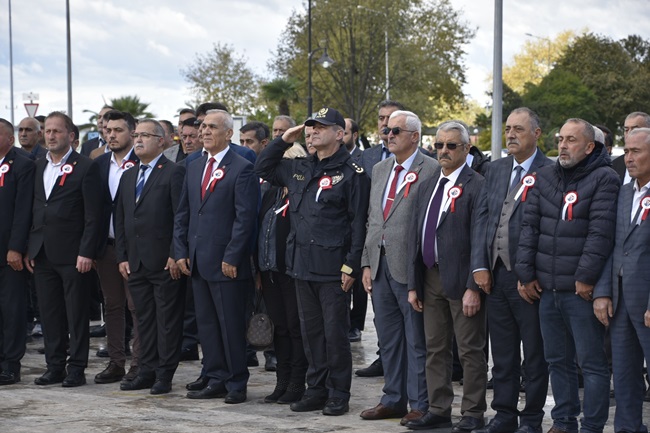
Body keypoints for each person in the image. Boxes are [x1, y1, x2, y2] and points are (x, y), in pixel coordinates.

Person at [256, 107, 370, 416]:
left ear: (339, 134)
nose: (313, 131)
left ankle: (338, 393)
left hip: (333, 268)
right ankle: (316, 389)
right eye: (310, 127)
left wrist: (351, 265)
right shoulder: (300, 166)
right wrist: (284, 138)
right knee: (311, 335)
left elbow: (359, 223)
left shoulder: (352, 173)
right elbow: (262, 167)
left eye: (321, 127)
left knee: (334, 335)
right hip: (301, 265)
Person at [516, 118, 620, 433]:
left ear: (590, 147)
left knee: (591, 364)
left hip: (580, 292)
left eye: (571, 140)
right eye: (561, 139)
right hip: (547, 289)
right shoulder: (544, 176)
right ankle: (563, 422)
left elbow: (600, 233)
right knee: (557, 361)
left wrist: (586, 277)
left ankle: (592, 426)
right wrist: (526, 272)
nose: (563, 145)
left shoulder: (605, 178)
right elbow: (530, 227)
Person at [472, 107, 552, 433]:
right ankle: (504, 415)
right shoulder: (495, 169)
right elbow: (482, 219)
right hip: (496, 276)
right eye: (508, 129)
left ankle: (531, 419)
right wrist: (480, 265)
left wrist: (532, 274)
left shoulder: (550, 171)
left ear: (537, 133)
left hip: (530, 281)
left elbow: (550, 229)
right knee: (502, 354)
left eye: (518, 129)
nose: (511, 135)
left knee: (534, 355)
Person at [405, 121, 486, 432]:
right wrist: (413, 284)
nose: (443, 151)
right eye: (439, 145)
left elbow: (480, 238)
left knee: (469, 350)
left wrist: (473, 286)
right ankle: (439, 409)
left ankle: (473, 412)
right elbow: (416, 237)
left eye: (451, 145)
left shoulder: (477, 184)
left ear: (466, 148)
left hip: (462, 281)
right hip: (429, 277)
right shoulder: (428, 185)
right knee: (435, 348)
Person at [174, 109, 259, 404]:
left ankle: (236, 382)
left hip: (226, 263)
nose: (204, 131)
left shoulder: (242, 167)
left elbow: (245, 218)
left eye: (212, 127)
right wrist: (181, 251)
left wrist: (233, 256)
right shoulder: (194, 165)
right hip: (198, 260)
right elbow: (184, 213)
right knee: (207, 325)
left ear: (228, 133)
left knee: (230, 325)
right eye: (203, 127)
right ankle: (214, 376)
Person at [359, 110, 436, 425]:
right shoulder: (380, 169)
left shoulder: (431, 168)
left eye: (396, 131)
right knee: (388, 338)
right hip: (379, 266)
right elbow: (373, 218)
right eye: (386, 131)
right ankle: (393, 399)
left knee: (416, 339)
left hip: (411, 268)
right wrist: (366, 262)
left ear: (415, 137)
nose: (388, 135)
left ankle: (420, 403)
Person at [28, 112, 103, 387]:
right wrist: (29, 248)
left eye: (56, 131)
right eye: (47, 131)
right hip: (42, 252)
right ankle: (54, 366)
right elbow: (34, 209)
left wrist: (87, 251)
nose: (51, 135)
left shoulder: (85, 167)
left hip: (74, 254)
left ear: (71, 136)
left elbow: (94, 215)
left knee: (76, 315)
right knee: (49, 314)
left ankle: (77, 368)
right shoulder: (38, 166)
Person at [115, 119, 186, 395]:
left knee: (166, 322)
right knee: (143, 320)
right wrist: (122, 256)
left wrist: (174, 253)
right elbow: (121, 218)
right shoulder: (129, 175)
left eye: (145, 135)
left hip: (164, 262)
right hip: (136, 262)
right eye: (136, 135)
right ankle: (146, 370)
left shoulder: (173, 172)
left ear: (161, 141)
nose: (138, 140)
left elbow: (180, 216)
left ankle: (164, 374)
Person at [594, 127, 650, 433]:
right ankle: (628, 428)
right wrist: (603, 291)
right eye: (626, 151)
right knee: (625, 374)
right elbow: (612, 246)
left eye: (636, 151)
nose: (628, 158)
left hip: (646, 300)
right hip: (620, 300)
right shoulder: (624, 192)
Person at [92, 110, 142, 385]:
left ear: (132, 133)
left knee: (136, 306)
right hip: (107, 247)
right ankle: (115, 362)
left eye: (118, 130)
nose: (111, 135)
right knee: (112, 306)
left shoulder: (142, 163)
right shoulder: (99, 164)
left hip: (135, 249)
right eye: (108, 130)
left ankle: (139, 364)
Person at [0, 118, 35, 385]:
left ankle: (11, 364)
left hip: (9, 253)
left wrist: (15, 248)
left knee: (12, 309)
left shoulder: (22, 165)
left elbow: (23, 211)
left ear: (10, 139)